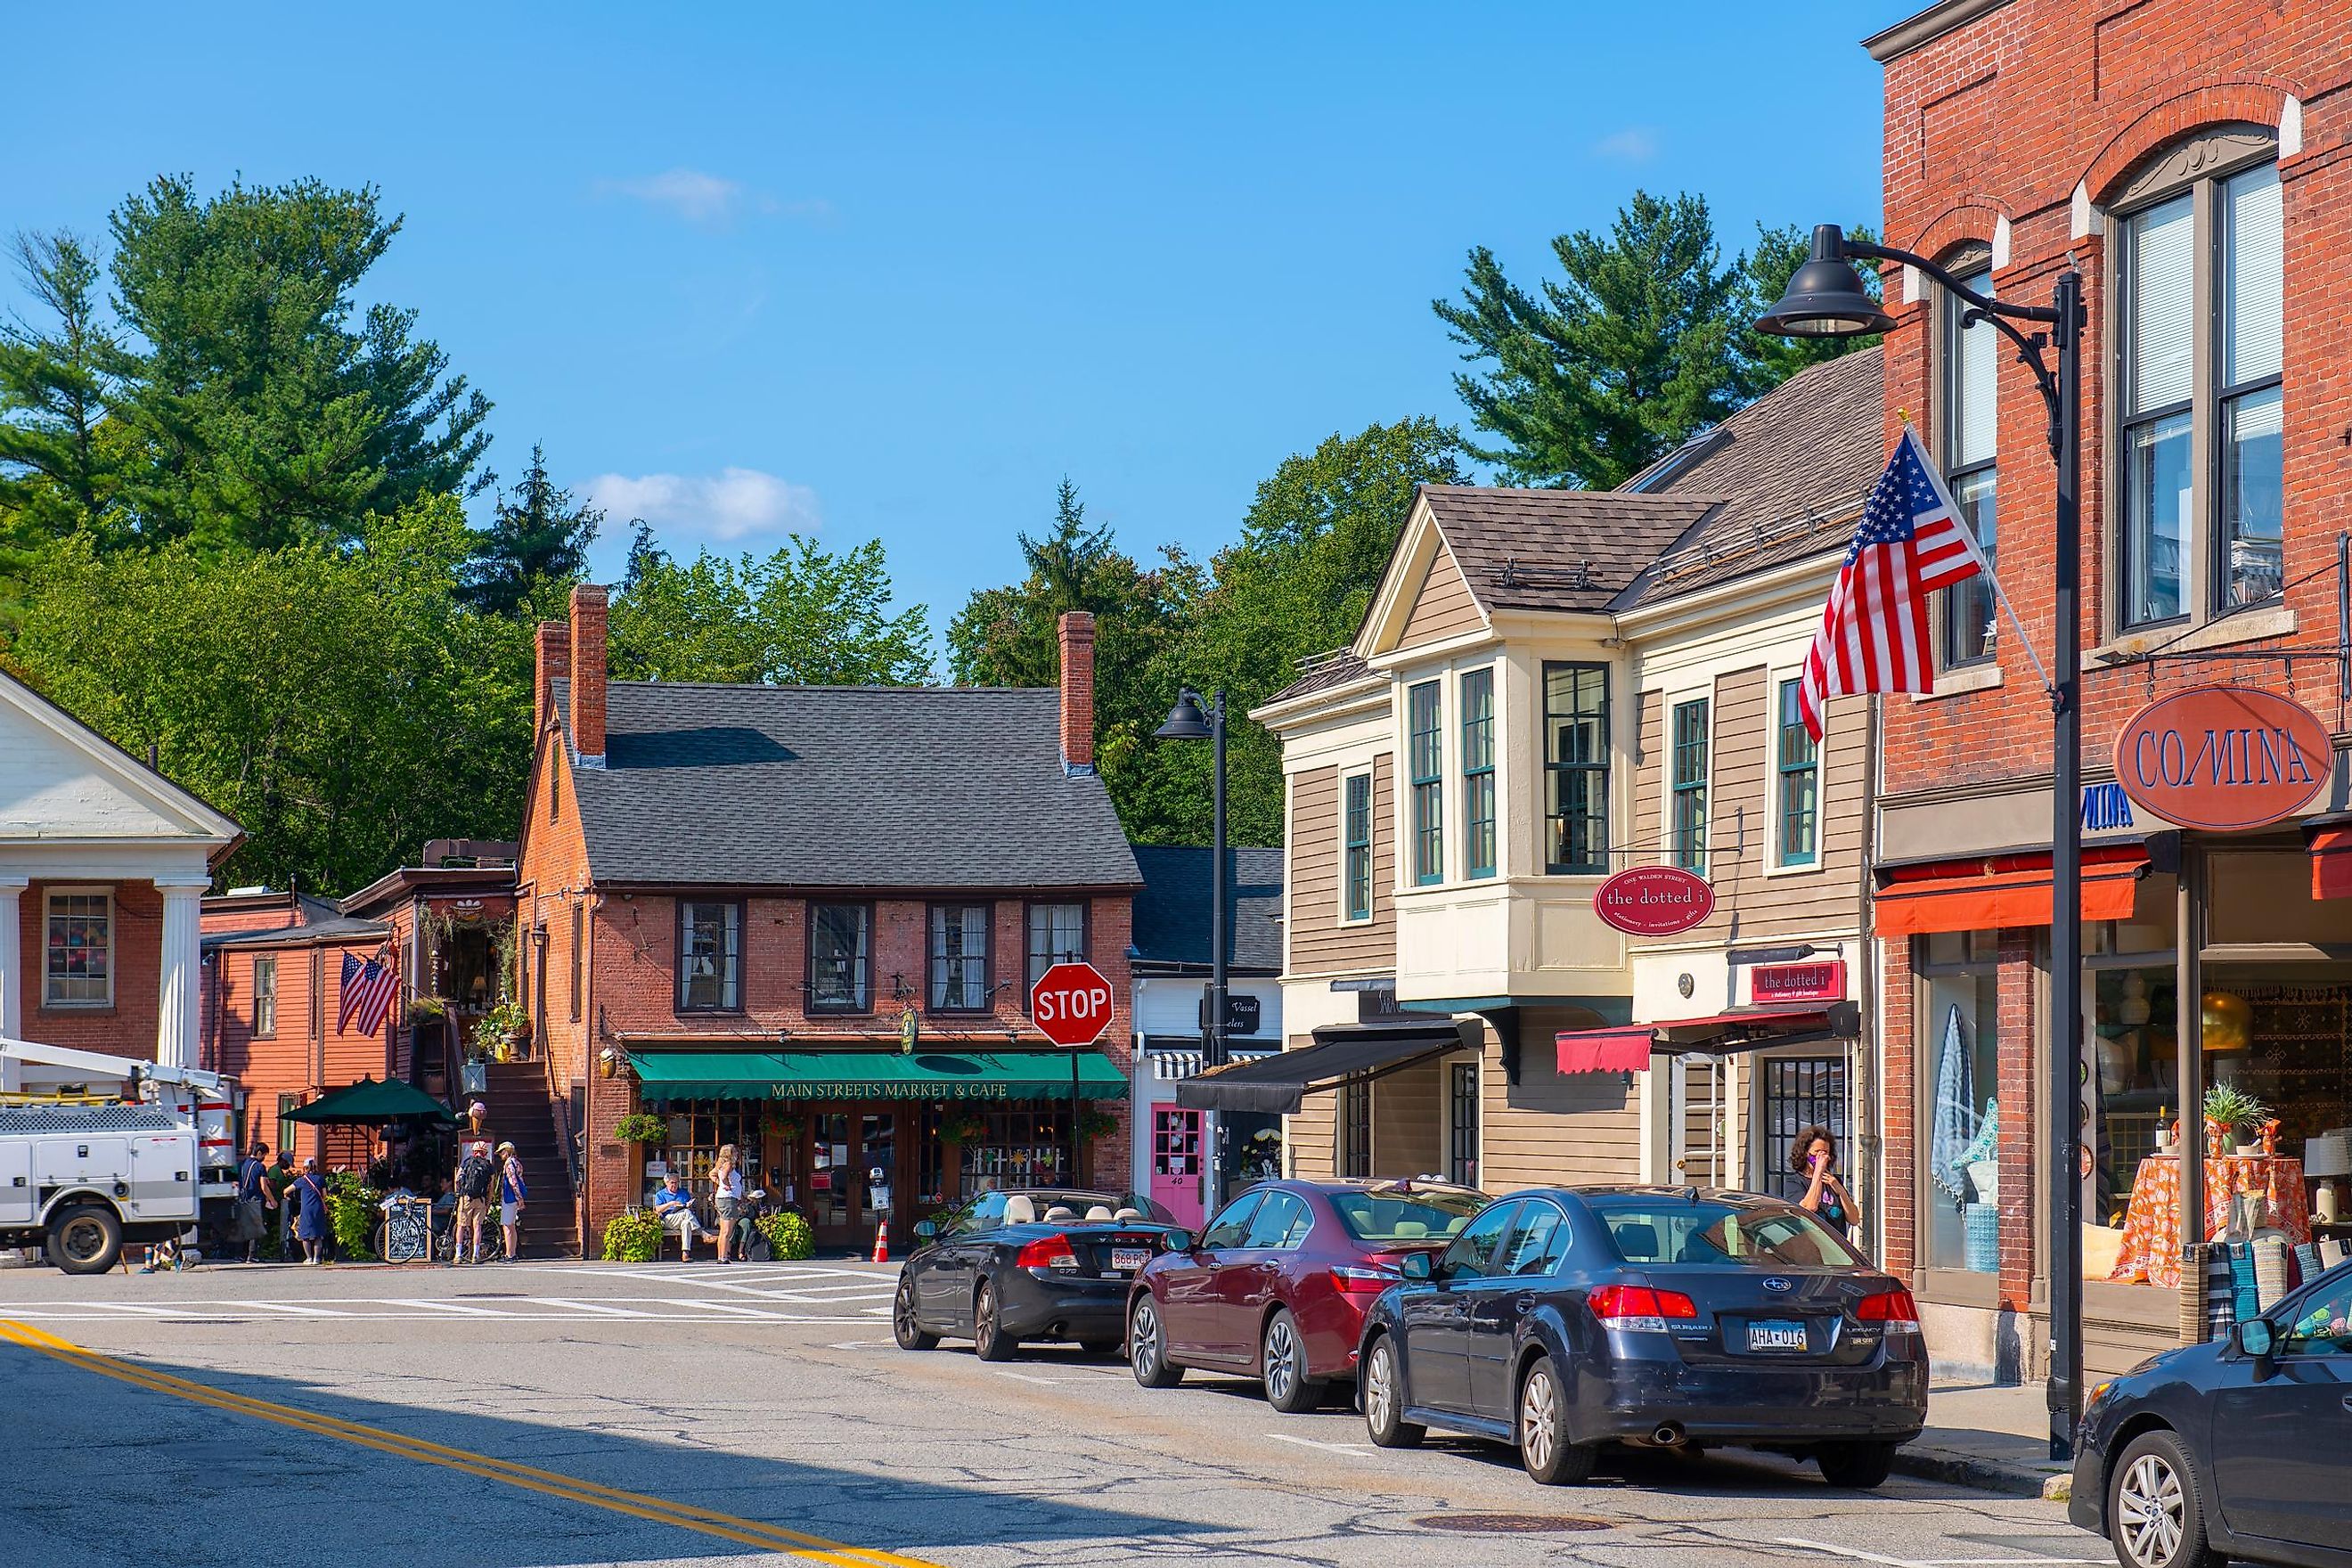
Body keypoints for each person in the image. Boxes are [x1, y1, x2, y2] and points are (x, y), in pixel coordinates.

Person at [1794, 1125, 1862, 1240]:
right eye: (1817, 1152)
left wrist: (1840, 1190)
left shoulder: (1834, 1181)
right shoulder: (1795, 1182)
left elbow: (1854, 1219)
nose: (1822, 1157)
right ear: (1806, 1153)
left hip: (1836, 1246)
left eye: (1825, 1152)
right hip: (1812, 1246)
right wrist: (1818, 1173)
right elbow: (1809, 1208)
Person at [451, 1140, 494, 1264]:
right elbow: (491, 1188)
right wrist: (488, 1203)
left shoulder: (467, 1162)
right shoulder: (488, 1166)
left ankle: (458, 1255)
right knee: (477, 1227)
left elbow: (457, 1179)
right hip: (480, 1199)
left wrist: (458, 1194)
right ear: (485, 1153)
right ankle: (475, 1255)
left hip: (466, 1198)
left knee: (461, 1226)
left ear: (474, 1151)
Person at [649, 1172, 707, 1261]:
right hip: (668, 1219)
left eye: (676, 1183)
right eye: (672, 1183)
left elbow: (690, 1209)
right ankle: (703, 1234)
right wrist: (671, 1204)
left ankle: (685, 1254)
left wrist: (689, 1205)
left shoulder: (683, 1193)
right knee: (686, 1213)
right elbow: (657, 1209)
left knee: (686, 1223)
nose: (675, 1185)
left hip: (683, 1217)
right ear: (666, 1183)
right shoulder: (660, 1194)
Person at [234, 1143, 274, 1264]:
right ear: (260, 1153)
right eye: (265, 1155)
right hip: (256, 1200)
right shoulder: (260, 1167)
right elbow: (263, 1186)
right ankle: (252, 1256)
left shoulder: (242, 1164)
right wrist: (272, 1199)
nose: (264, 1158)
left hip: (243, 1199)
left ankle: (240, 1255)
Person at [290, 1157, 330, 1266]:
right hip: (318, 1209)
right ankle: (317, 1259)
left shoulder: (302, 1180)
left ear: (305, 1168)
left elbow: (287, 1190)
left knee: (305, 1235)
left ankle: (309, 1258)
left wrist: (285, 1195)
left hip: (306, 1209)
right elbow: (325, 1195)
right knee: (317, 1235)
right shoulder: (320, 1179)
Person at [710, 1144, 743, 1265]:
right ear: (730, 1153)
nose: (737, 1154)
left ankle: (722, 1255)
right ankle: (723, 1256)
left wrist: (719, 1183)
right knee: (727, 1230)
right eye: (735, 1152)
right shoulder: (728, 1164)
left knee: (724, 1230)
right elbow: (723, 1176)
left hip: (725, 1198)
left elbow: (711, 1174)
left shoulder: (720, 1164)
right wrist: (725, 1183)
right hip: (728, 1199)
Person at [496, 1140, 527, 1264]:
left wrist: (519, 1197)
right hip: (513, 1198)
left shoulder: (509, 1163)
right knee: (512, 1226)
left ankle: (509, 1254)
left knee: (507, 1226)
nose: (500, 1155)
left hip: (510, 1197)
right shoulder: (517, 1163)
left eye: (502, 1152)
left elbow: (513, 1181)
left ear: (507, 1151)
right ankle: (512, 1253)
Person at [265, 1147, 296, 1260]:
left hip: (279, 1203)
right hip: (274, 1203)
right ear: (282, 1160)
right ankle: (270, 1249)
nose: (288, 1166)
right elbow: (272, 1185)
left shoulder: (279, 1171)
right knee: (273, 1225)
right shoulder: (274, 1170)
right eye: (288, 1163)